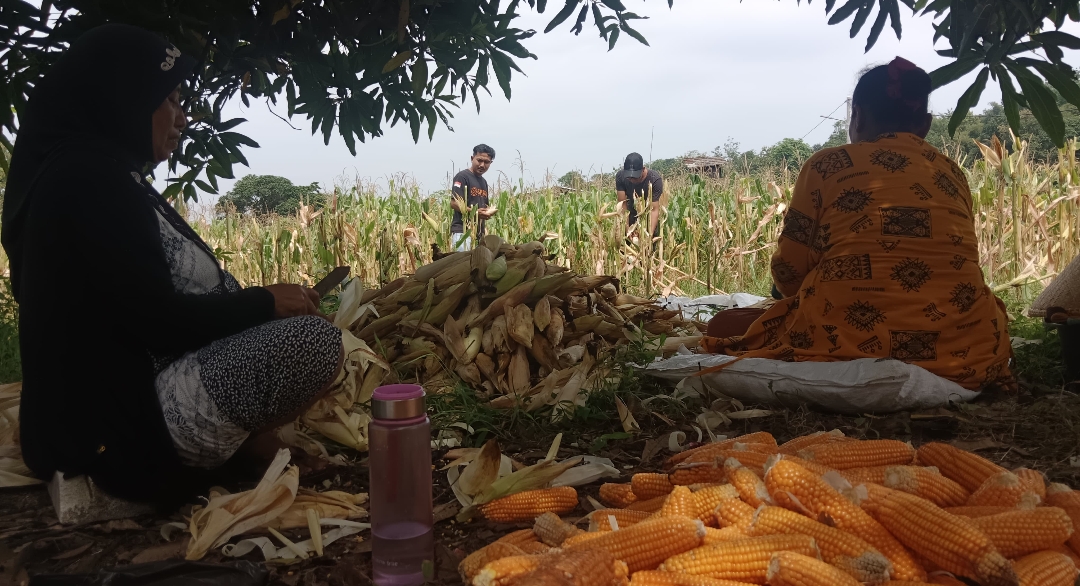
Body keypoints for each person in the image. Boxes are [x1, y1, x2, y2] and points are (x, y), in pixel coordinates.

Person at [1, 24, 344, 506]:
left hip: (122, 400)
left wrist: (255, 307)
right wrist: (263, 302)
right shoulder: (85, 182)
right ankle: (190, 461)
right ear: (125, 99)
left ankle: (245, 445)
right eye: (171, 101)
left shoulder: (99, 174)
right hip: (113, 435)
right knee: (313, 344)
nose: (181, 118)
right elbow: (156, 323)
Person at [702, 57, 1013, 391]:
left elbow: (790, 274)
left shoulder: (827, 165)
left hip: (844, 337)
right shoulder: (952, 172)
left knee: (723, 324)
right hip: (966, 347)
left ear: (857, 116)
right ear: (925, 124)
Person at [450, 144, 497, 251]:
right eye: (479, 160)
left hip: (478, 235)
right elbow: (453, 203)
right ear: (472, 158)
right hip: (462, 233)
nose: (482, 165)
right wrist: (475, 213)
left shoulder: (483, 182)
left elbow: (483, 206)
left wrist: (488, 212)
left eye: (486, 162)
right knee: (463, 266)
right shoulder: (462, 177)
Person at [615, 152, 663, 241]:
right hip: (630, 216)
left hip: (648, 217)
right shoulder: (620, 177)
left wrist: (649, 235)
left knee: (648, 249)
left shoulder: (655, 180)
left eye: (635, 177)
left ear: (643, 169)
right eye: (629, 177)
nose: (632, 180)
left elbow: (654, 210)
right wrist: (627, 230)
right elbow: (622, 206)